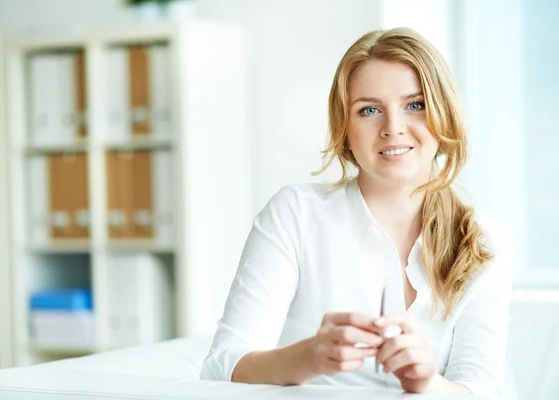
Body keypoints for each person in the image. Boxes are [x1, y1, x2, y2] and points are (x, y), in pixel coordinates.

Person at [200, 27, 513, 396]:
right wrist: (310, 357)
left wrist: (427, 384)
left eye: (415, 105)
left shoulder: (485, 239)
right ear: (345, 129)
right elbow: (222, 366)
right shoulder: (296, 214)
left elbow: (480, 390)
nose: (393, 128)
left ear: (444, 116)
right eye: (369, 110)